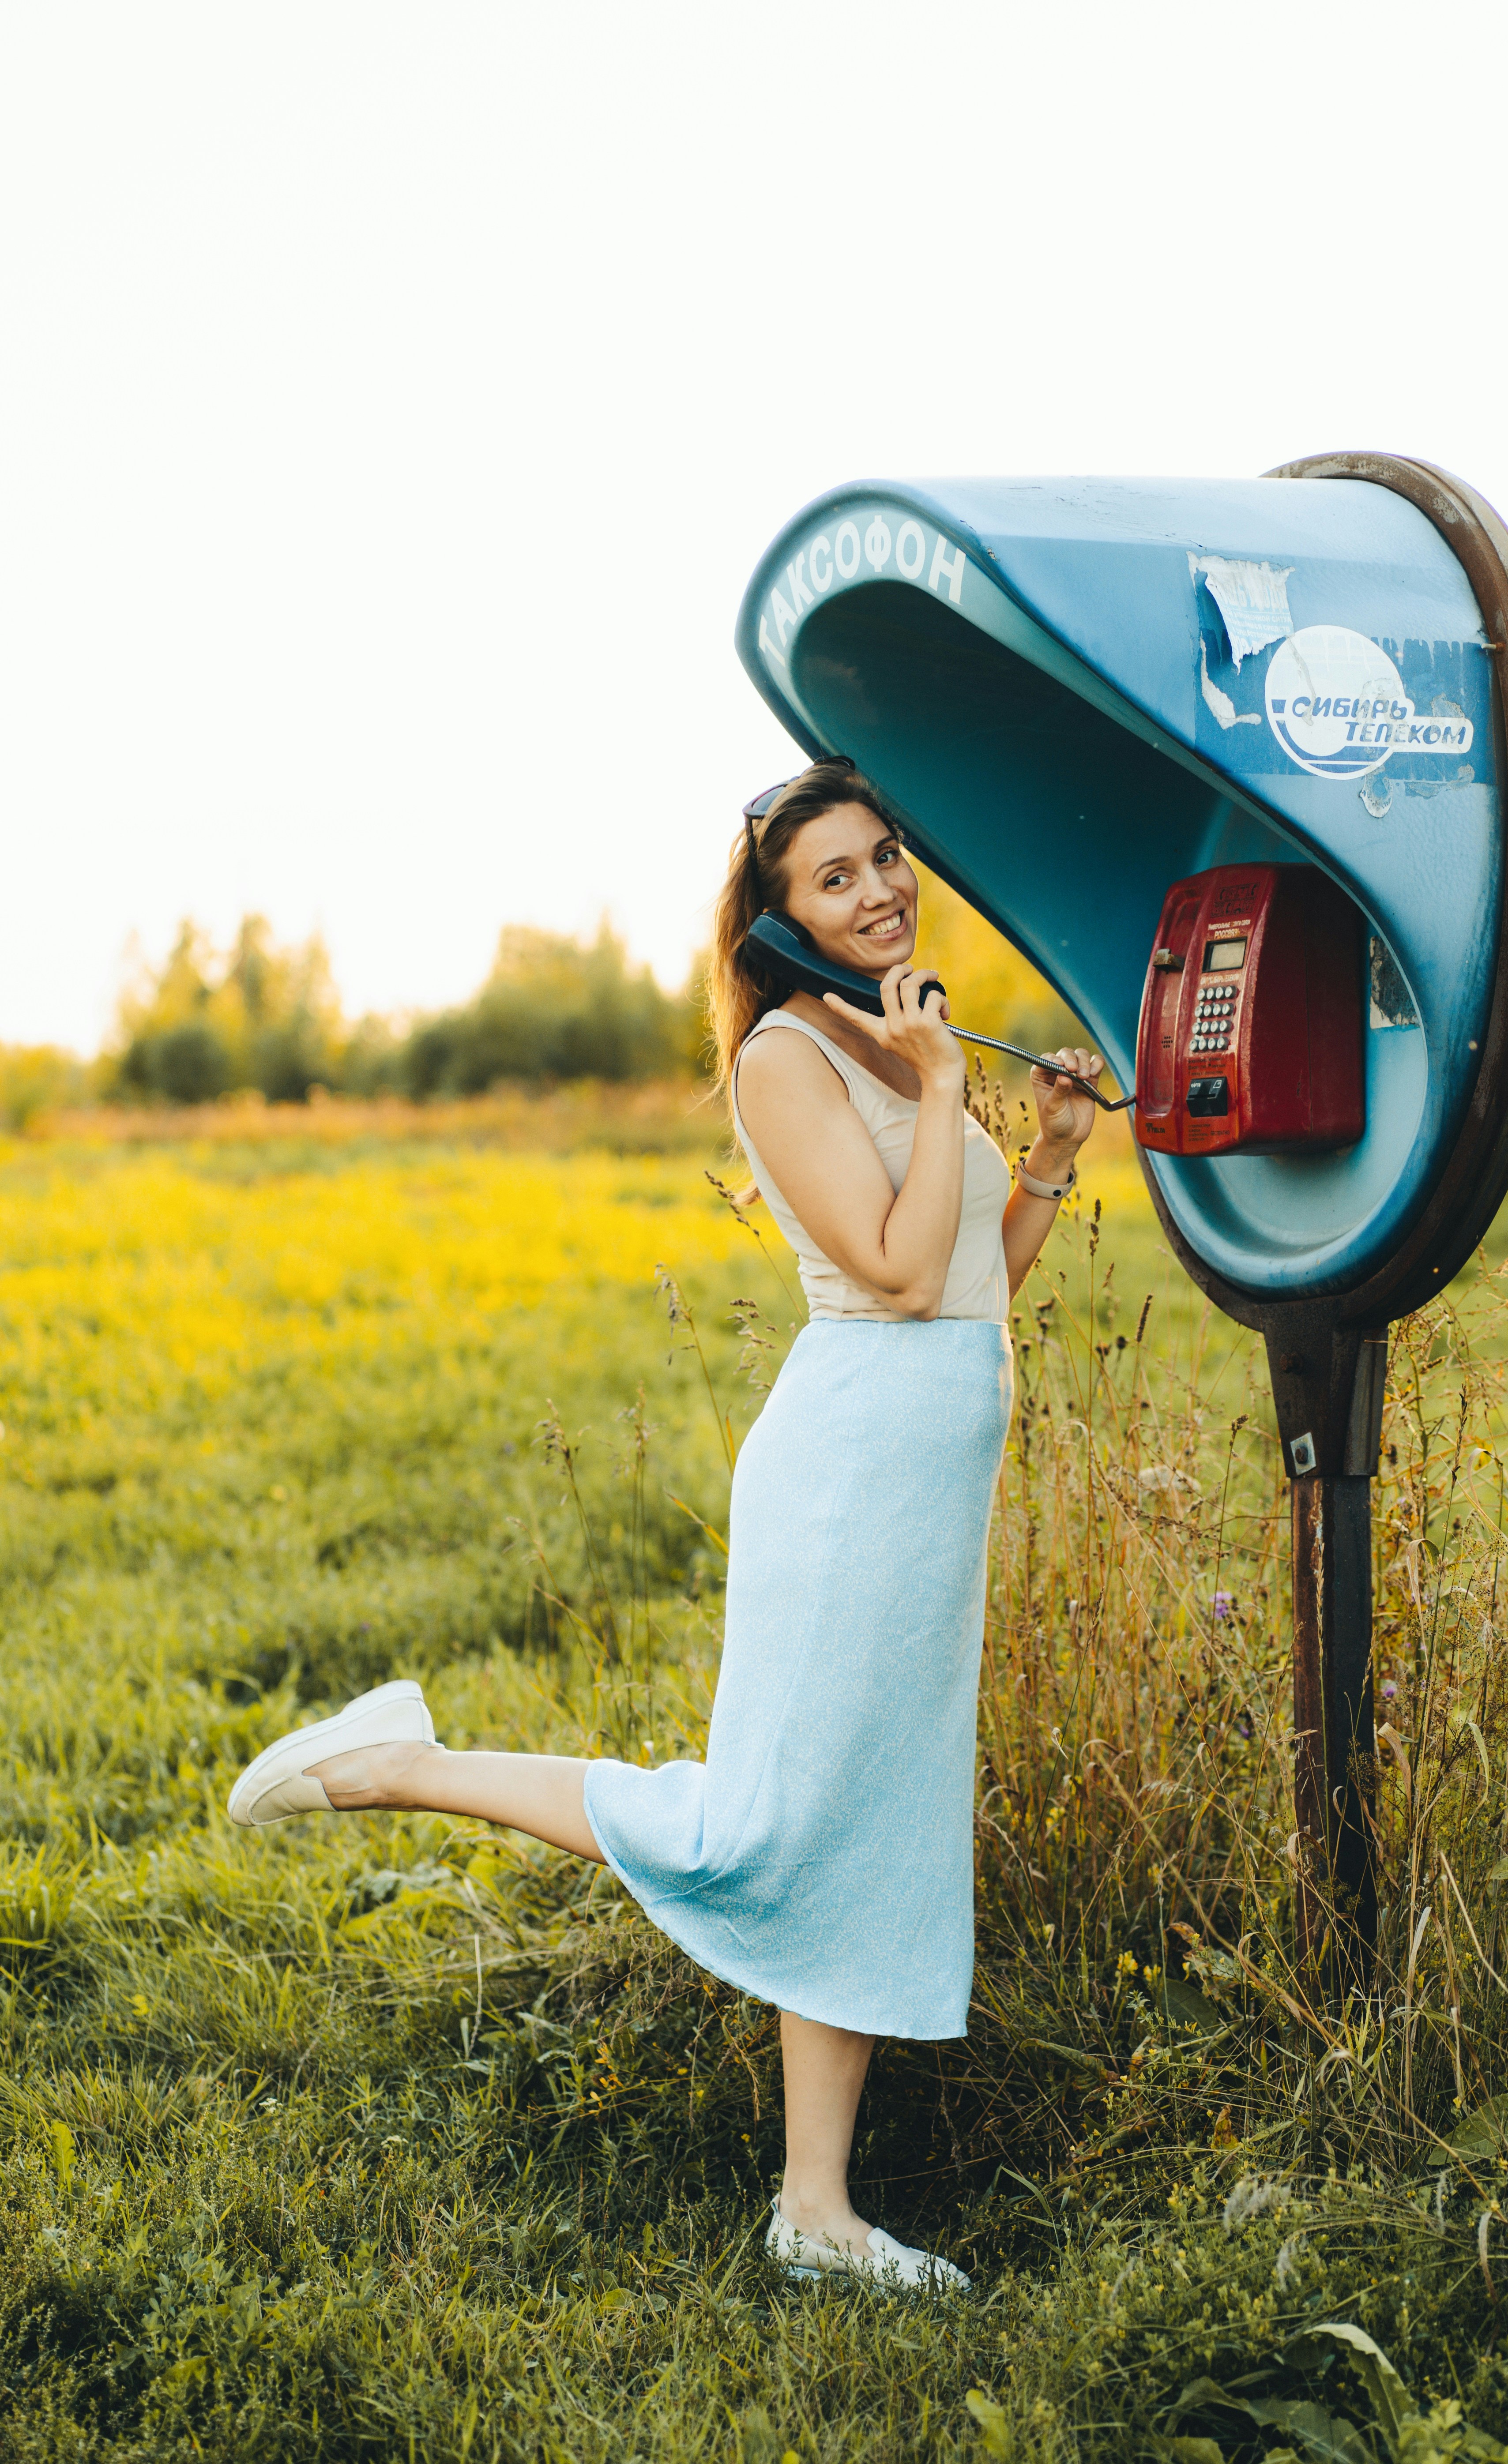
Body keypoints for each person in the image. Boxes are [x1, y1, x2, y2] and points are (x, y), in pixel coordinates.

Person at [228, 757, 1104, 2290]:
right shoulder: (788, 1058)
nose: (879, 888)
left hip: (923, 1486)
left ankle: (816, 2214)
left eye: (885, 856)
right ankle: (392, 1765)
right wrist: (953, 1088)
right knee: (763, 1826)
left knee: (861, 1833)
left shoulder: (894, 1041)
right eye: (833, 878)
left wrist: (1041, 1157)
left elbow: (974, 1283)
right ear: (775, 923)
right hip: (847, 1486)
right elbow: (895, 1283)